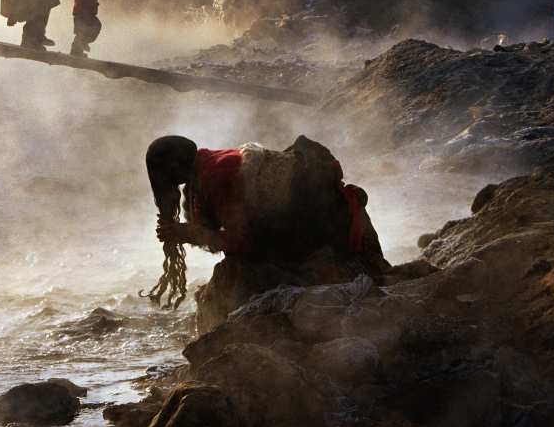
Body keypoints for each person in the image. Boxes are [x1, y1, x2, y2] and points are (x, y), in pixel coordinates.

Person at [141, 134, 389, 312]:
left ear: (174, 168)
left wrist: (188, 234)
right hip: (321, 222)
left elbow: (242, 240)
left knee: (230, 283)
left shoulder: (216, 174)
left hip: (328, 230)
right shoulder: (204, 170)